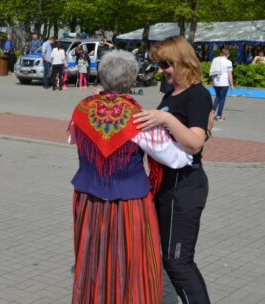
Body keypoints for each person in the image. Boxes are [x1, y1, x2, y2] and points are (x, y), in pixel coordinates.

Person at [69, 49, 193, 304]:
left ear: (101, 77)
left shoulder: (82, 109)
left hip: (89, 199)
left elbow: (73, 138)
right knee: (132, 262)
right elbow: (176, 159)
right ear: (133, 80)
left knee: (93, 258)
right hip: (130, 202)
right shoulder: (141, 118)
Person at [133, 36, 213, 304]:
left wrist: (165, 118)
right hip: (165, 184)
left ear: (181, 61)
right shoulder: (172, 92)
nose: (161, 70)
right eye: (159, 64)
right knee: (169, 257)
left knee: (178, 261)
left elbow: (194, 143)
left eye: (165, 64)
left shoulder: (198, 94)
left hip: (185, 186)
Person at [210, 48, 234, 121]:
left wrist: (213, 81)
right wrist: (231, 84)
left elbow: (212, 71)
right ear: (228, 55)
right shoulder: (228, 62)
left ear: (221, 53)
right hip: (224, 82)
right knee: (222, 99)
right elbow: (229, 74)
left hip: (216, 81)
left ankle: (212, 112)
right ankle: (219, 115)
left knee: (217, 97)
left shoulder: (215, 60)